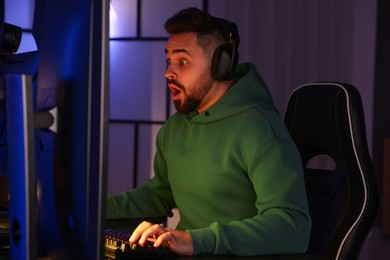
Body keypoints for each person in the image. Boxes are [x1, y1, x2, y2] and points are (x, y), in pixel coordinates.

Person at [106, 7, 311, 256]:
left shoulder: (259, 130)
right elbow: (159, 195)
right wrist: (95, 206)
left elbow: (292, 227)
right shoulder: (175, 128)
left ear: (221, 65)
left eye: (183, 61)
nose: (168, 72)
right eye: (169, 60)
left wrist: (195, 240)